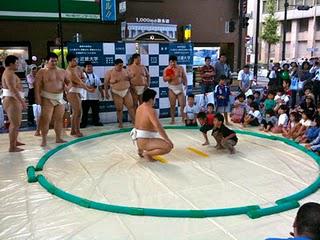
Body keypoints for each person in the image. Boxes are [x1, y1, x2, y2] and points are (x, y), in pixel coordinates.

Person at [35, 52, 70, 147]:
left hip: (59, 98)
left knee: (59, 119)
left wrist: (67, 88)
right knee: (46, 119)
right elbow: (37, 86)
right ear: (47, 61)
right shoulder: (42, 71)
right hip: (47, 97)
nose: (54, 63)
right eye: (52, 61)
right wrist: (37, 99)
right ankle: (44, 140)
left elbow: (69, 82)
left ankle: (58, 138)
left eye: (55, 61)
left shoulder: (62, 71)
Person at [130, 88, 173, 161]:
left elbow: (138, 125)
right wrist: (168, 140)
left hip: (138, 140)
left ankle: (141, 150)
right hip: (145, 141)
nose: (155, 100)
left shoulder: (139, 108)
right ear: (150, 99)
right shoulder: (151, 110)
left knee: (146, 136)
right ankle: (147, 154)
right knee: (168, 147)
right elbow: (158, 126)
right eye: (154, 98)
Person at [1, 55, 27, 152]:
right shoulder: (9, 74)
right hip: (12, 100)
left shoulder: (10, 73)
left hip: (13, 100)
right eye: (17, 63)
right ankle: (12, 147)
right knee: (14, 124)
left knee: (17, 123)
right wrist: (22, 102)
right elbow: (12, 89)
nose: (18, 64)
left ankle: (15, 141)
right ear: (11, 64)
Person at [66, 52, 94, 137]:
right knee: (78, 112)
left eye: (76, 60)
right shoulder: (69, 71)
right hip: (72, 91)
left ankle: (73, 130)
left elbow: (83, 78)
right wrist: (89, 89)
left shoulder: (78, 68)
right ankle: (77, 130)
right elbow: (81, 82)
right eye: (74, 60)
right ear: (69, 62)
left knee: (76, 112)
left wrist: (83, 84)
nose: (76, 62)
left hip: (78, 91)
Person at [104, 58, 135, 128]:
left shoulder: (126, 71)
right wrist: (106, 92)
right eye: (119, 66)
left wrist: (130, 77)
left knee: (131, 107)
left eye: (122, 65)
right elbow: (105, 83)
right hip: (116, 92)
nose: (121, 67)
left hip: (126, 91)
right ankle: (120, 123)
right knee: (119, 109)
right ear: (115, 65)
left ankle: (134, 122)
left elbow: (132, 77)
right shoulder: (110, 72)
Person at [163, 55, 188, 124]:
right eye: (171, 62)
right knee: (172, 105)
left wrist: (186, 84)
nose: (173, 63)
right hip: (172, 88)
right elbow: (164, 79)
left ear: (176, 61)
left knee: (182, 105)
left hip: (180, 87)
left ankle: (183, 118)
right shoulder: (166, 69)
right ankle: (173, 119)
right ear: (169, 62)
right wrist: (170, 77)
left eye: (174, 62)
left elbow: (184, 77)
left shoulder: (180, 68)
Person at [80, 61, 104, 128]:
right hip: (85, 97)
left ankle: (96, 122)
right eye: (88, 66)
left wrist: (102, 94)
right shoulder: (82, 76)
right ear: (84, 68)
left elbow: (99, 86)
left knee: (95, 111)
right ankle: (83, 123)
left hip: (95, 97)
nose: (89, 68)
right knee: (84, 112)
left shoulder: (96, 76)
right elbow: (81, 85)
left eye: (91, 66)